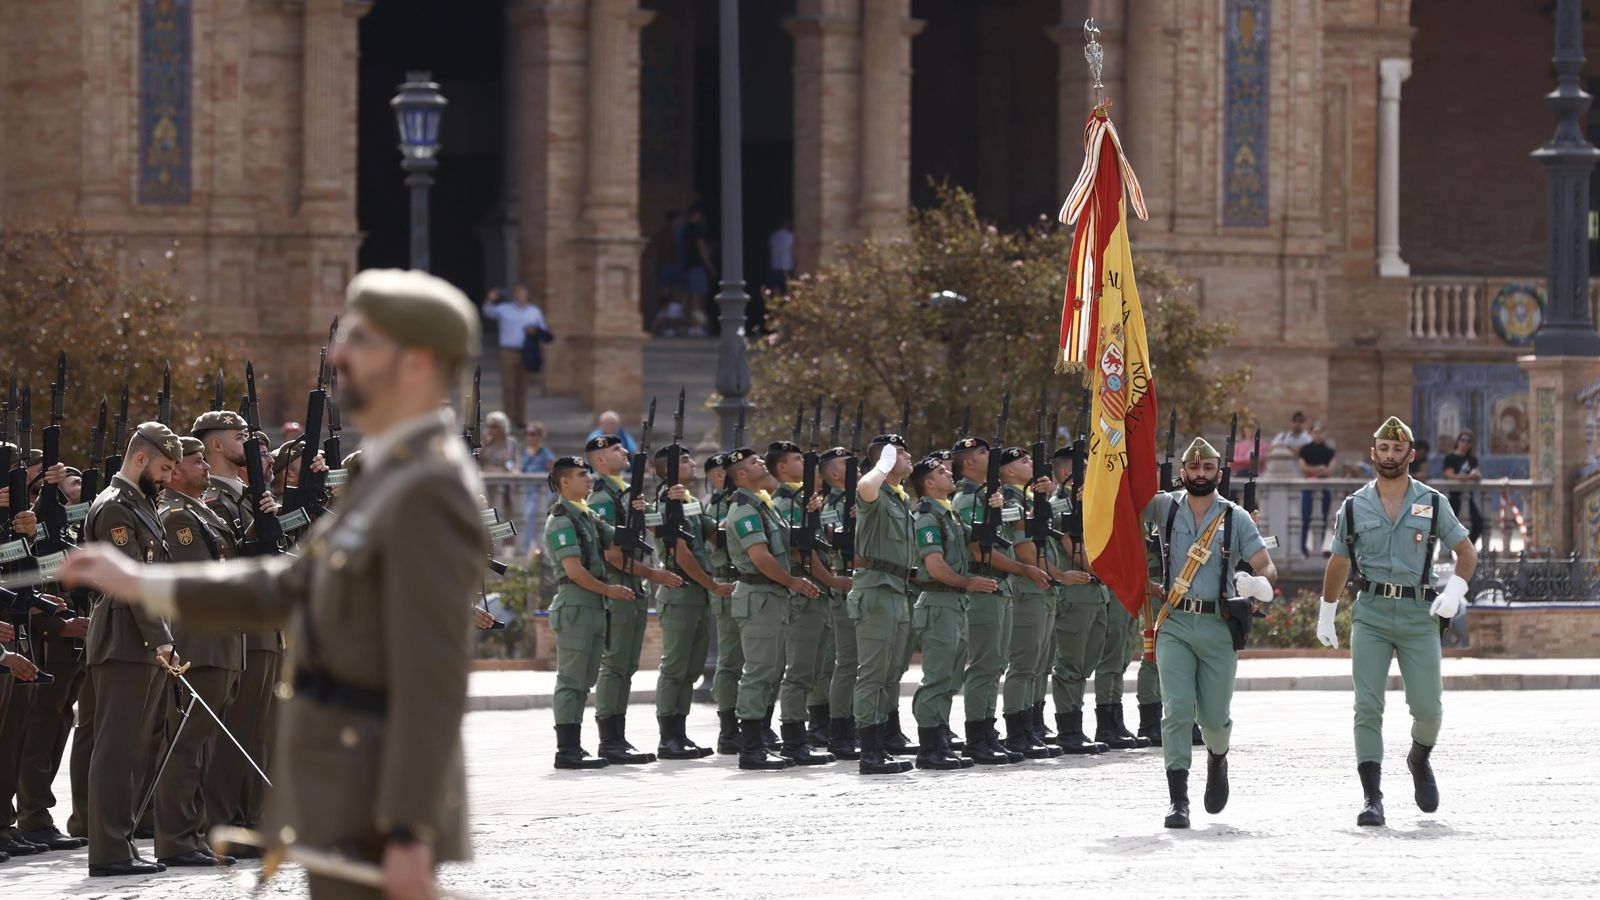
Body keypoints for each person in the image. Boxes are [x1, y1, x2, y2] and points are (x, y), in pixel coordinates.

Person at [62, 268, 492, 899]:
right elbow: (290, 580)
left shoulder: (427, 487)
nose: (341, 354)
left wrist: (410, 829)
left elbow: (430, 672)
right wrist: (138, 582)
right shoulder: (391, 475)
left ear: (418, 360)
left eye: (363, 339)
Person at [1317, 416, 1476, 828]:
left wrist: (1454, 591)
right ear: (1374, 452)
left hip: (1418, 615)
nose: (1390, 456)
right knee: (1367, 707)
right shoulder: (1354, 506)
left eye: (1397, 449)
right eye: (1383, 449)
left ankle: (1419, 757)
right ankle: (1372, 798)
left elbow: (1466, 552)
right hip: (1369, 611)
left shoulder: (1433, 501)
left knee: (1428, 708)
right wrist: (1326, 611)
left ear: (1411, 454)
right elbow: (1339, 560)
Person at [1144, 437, 1278, 829]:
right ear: (1182, 472)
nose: (1199, 475)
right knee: (1177, 712)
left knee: (1215, 720)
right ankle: (1178, 800)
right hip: (1175, 623)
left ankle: (1218, 759)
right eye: (1193, 469)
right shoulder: (1163, 507)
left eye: (1207, 469)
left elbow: (1265, 565)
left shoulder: (1236, 517)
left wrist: (1258, 585)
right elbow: (1121, 513)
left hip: (1219, 625)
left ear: (1218, 473)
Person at [77, 421, 183, 876]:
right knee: (117, 749)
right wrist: (161, 640)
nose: (167, 477)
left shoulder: (142, 503)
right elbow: (133, 583)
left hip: (138, 638)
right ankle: (108, 852)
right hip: (126, 639)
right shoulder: (117, 506)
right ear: (141, 458)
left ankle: (121, 841)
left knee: (136, 750)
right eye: (163, 467)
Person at [153, 436, 243, 869]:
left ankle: (195, 832)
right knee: (186, 745)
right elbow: (202, 577)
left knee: (204, 746)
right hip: (201, 642)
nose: (206, 466)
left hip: (223, 639)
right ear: (173, 471)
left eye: (206, 460)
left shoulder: (202, 510)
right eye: (196, 461)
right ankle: (174, 838)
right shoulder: (177, 515)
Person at [192, 408, 279, 849]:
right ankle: (222, 826)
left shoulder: (252, 494)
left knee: (259, 731)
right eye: (238, 434)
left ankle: (253, 820)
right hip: (237, 628)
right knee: (233, 733)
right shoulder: (210, 499)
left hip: (265, 625)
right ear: (215, 445)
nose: (248, 440)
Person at [721, 447, 820, 770]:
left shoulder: (763, 505)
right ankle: (751, 748)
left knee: (772, 670)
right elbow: (761, 558)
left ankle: (761, 739)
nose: (761, 463)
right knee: (759, 671)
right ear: (742, 475)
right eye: (753, 462)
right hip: (759, 595)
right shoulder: (745, 510)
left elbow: (787, 545)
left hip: (771, 596)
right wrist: (793, 582)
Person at [585, 435, 681, 764]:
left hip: (633, 588)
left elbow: (657, 528)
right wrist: (652, 574)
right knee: (614, 665)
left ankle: (619, 736)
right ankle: (609, 739)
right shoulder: (601, 497)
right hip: (618, 585)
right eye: (615, 449)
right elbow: (612, 555)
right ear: (599, 461)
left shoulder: (628, 493)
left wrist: (670, 500)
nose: (623, 451)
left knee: (626, 666)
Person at [908, 457, 997, 770]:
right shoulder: (927, 515)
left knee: (950, 678)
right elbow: (935, 565)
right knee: (936, 678)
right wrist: (969, 581)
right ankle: (929, 746)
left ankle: (941, 738)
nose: (949, 474)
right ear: (929, 483)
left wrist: (992, 506)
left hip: (955, 604)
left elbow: (980, 541)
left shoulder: (951, 514)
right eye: (941, 472)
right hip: (938, 602)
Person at [649, 448, 729, 759]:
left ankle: (680, 734)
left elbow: (716, 536)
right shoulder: (663, 505)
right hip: (681, 590)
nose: (693, 463)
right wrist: (712, 584)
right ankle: (667, 738)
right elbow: (681, 553)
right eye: (684, 460)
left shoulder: (693, 503)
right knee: (675, 667)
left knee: (692, 667)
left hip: (697, 594)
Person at [767, 440, 840, 765]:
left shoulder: (806, 501)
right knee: (798, 671)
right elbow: (800, 552)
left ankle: (807, 731)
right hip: (804, 593)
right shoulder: (785, 503)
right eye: (799, 459)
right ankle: (793, 738)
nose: (807, 466)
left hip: (817, 592)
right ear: (782, 468)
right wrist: (832, 580)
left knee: (812, 669)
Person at [1049, 447, 1110, 755]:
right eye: (1084, 469)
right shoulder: (1059, 506)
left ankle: (1077, 724)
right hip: (1076, 593)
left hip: (1097, 592)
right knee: (1070, 664)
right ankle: (1068, 728)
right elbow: (1076, 548)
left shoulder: (1091, 504)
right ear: (1065, 474)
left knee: (1087, 662)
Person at [483, 285, 551, 428]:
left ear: (527, 295)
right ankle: (507, 419)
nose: (520, 296)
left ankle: (520, 418)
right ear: (514, 295)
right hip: (508, 350)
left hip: (526, 351)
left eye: (523, 294)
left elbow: (543, 330)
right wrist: (490, 298)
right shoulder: (504, 309)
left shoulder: (534, 311)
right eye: (518, 294)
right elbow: (487, 311)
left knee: (523, 386)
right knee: (509, 386)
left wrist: (535, 332)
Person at [1441, 430, 1486, 548]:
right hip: (1453, 497)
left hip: (1467, 497)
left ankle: (1469, 548)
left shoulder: (1471, 459)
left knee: (1478, 522)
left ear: (1471, 445)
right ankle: (1448, 550)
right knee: (1449, 526)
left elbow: (1477, 474)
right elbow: (1450, 475)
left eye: (1468, 441)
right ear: (1458, 441)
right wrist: (1469, 477)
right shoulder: (1450, 458)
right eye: (1463, 440)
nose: (1465, 443)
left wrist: (1473, 476)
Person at [1298, 422, 1337, 557]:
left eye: (1320, 432)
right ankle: (1302, 548)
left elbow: (1330, 470)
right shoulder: (1305, 449)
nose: (1318, 434)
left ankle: (1318, 547)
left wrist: (1314, 470)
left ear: (1324, 434)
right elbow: (1303, 468)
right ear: (1311, 433)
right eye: (1315, 432)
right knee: (1305, 516)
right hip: (1307, 487)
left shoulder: (1329, 451)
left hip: (1324, 488)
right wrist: (1320, 469)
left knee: (1323, 517)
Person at [678, 204, 717, 336]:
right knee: (697, 297)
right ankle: (695, 328)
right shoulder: (697, 230)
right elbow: (702, 250)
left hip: (686, 267)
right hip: (696, 267)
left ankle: (686, 326)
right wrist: (710, 266)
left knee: (687, 298)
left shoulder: (684, 230)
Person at [519, 422, 557, 555]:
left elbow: (553, 475)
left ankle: (528, 549)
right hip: (525, 491)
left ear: (540, 436)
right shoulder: (524, 454)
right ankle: (528, 547)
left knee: (531, 515)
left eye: (533, 434)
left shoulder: (546, 454)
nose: (529, 437)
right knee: (524, 517)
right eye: (527, 434)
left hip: (540, 492)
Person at [478, 410, 519, 522]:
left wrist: (515, 471)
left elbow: (516, 461)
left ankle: (507, 539)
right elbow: (477, 461)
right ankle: (491, 538)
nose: (490, 429)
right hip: (488, 484)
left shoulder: (511, 442)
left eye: (494, 426)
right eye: (488, 426)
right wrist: (484, 444)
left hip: (505, 483)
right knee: (489, 514)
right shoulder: (486, 443)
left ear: (502, 427)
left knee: (506, 518)